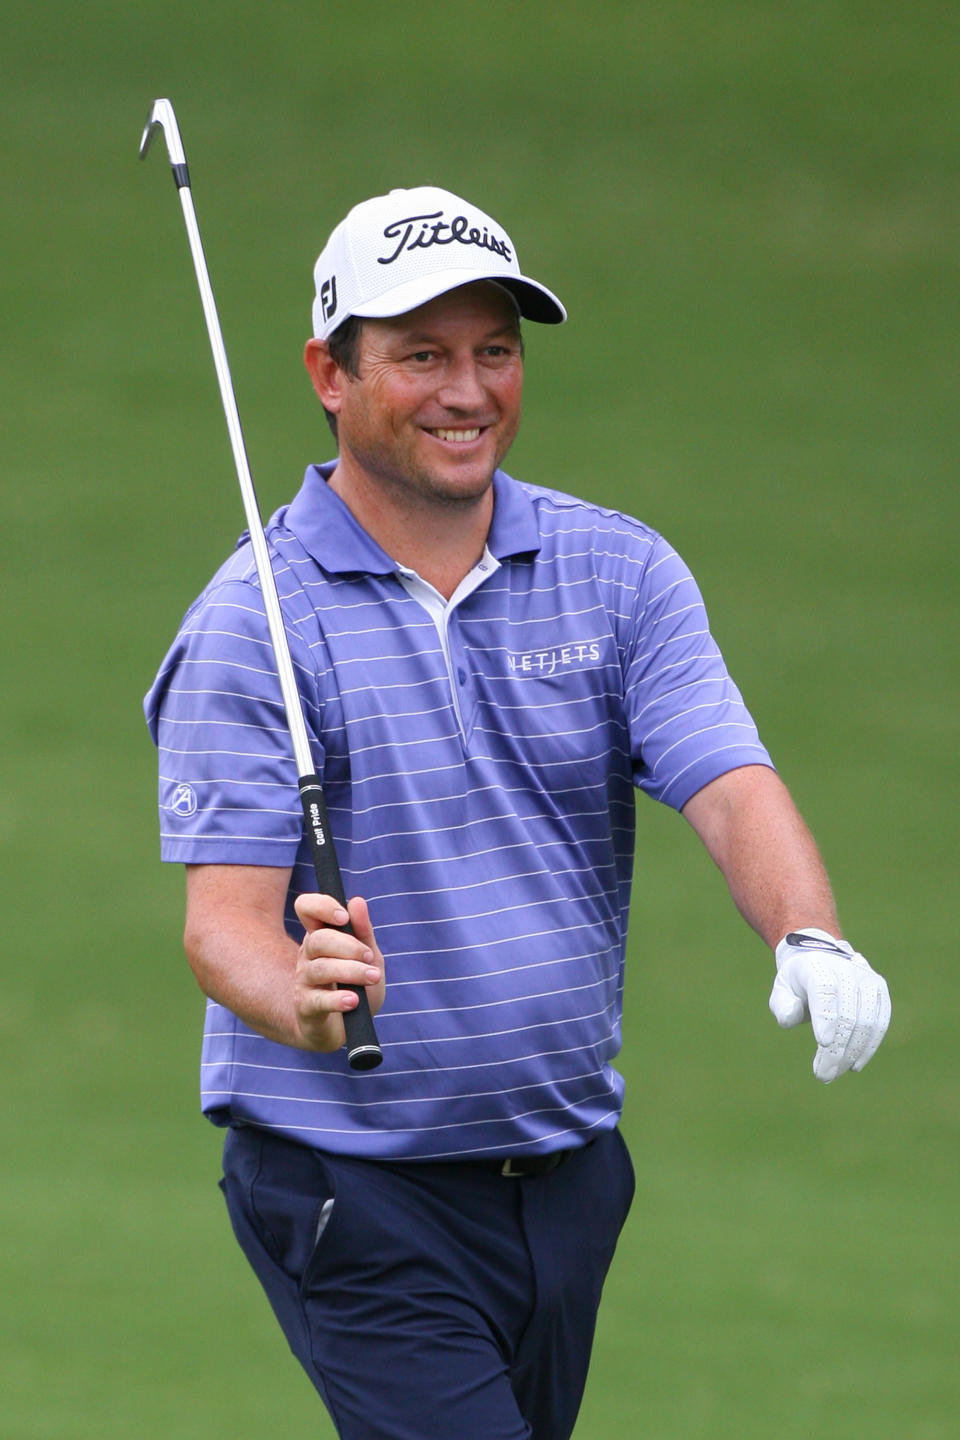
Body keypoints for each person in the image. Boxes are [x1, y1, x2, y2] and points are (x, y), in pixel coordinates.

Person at [144, 185, 891, 1440]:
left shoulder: (618, 571)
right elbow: (221, 927)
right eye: (422, 355)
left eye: (494, 351)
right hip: (353, 1188)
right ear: (329, 372)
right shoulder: (253, 622)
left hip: (567, 1178)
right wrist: (302, 1001)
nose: (467, 390)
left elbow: (726, 777)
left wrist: (806, 932)